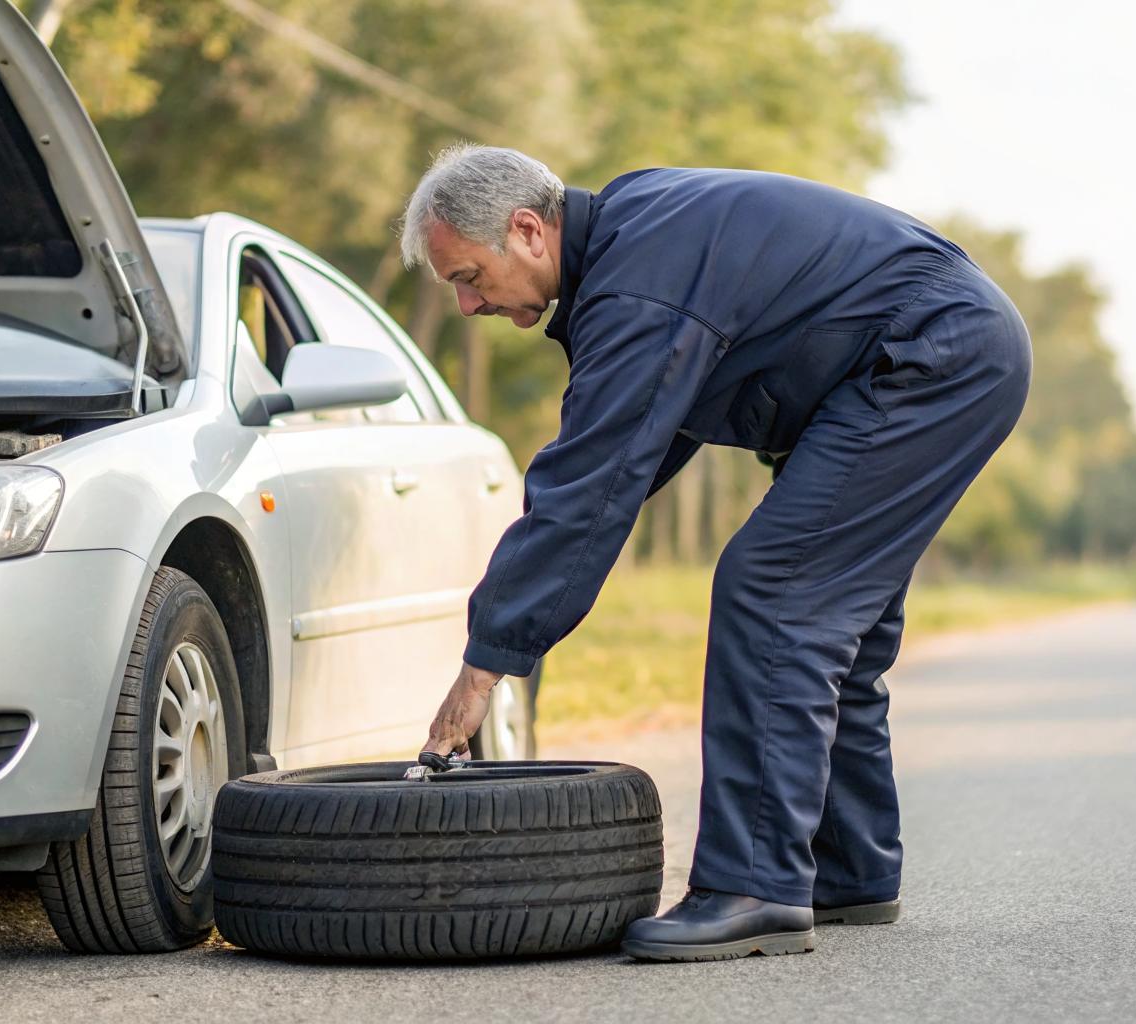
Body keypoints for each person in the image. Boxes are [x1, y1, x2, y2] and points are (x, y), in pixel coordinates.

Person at [408, 145, 1031, 962]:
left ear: (527, 230)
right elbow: (627, 460)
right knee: (827, 617)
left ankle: (755, 885)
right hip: (939, 349)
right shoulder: (635, 249)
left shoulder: (636, 281)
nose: (463, 304)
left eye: (468, 276)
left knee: (771, 593)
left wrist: (486, 664)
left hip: (929, 356)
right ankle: (848, 869)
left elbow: (590, 478)